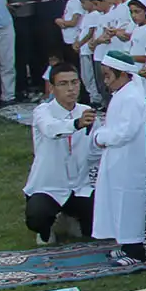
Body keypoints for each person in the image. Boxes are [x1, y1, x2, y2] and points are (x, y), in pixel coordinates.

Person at [23, 63, 96, 245]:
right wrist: (76, 124)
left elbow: (96, 148)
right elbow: (50, 129)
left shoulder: (85, 110)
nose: (70, 89)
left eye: (74, 82)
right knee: (37, 217)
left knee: (99, 221)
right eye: (63, 84)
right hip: (48, 186)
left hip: (79, 186)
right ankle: (46, 228)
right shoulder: (42, 111)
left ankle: (71, 217)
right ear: (52, 88)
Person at [91, 51, 146, 265]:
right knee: (116, 201)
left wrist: (101, 137)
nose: (106, 81)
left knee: (128, 204)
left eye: (108, 76)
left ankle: (135, 250)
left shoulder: (132, 98)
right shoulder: (122, 94)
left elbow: (125, 131)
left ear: (123, 74)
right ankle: (125, 245)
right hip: (117, 157)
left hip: (127, 159)